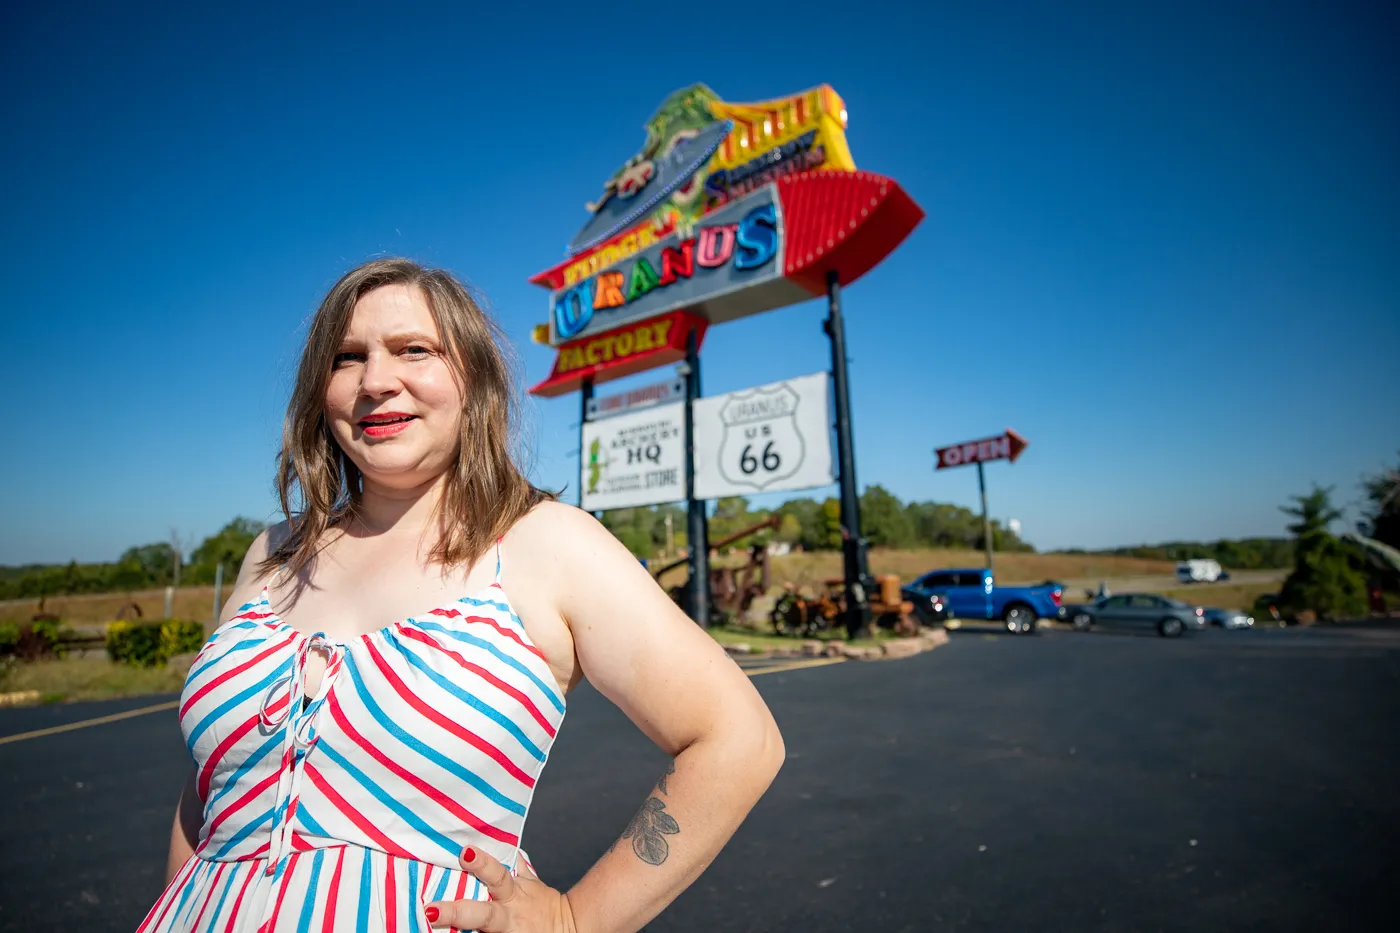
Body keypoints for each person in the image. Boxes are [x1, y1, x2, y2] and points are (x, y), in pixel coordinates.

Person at [139, 258, 785, 932]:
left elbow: (737, 738)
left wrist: (576, 918)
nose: (375, 381)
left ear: (472, 378)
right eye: (347, 357)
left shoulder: (547, 546)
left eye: (413, 350)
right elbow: (211, 783)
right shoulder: (272, 553)